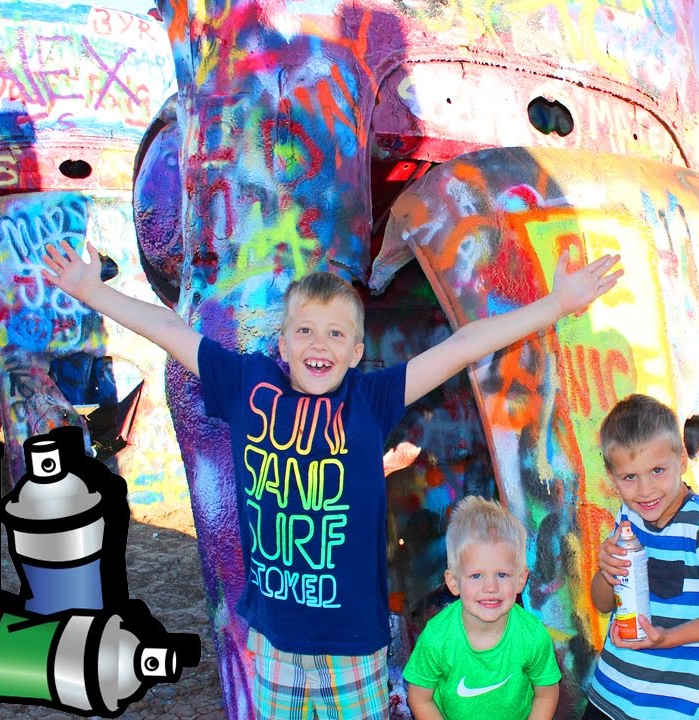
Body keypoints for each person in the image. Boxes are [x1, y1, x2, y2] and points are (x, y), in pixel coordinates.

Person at [41, 239, 621, 719]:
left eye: (336, 334)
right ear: (283, 343)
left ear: (356, 350)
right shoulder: (249, 383)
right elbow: (168, 330)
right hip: (273, 641)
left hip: (353, 648)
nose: (320, 344)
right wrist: (91, 290)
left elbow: (464, 345)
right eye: (306, 332)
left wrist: (555, 304)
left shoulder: (370, 399)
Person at [586, 394, 699, 720]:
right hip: (607, 694)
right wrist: (606, 569)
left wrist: (670, 638)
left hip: (667, 710)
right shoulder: (628, 515)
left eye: (657, 470)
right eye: (630, 477)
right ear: (612, 478)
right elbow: (603, 603)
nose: (645, 490)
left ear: (682, 460)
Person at [403, 496, 561, 720]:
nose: (490, 587)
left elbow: (546, 694)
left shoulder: (532, 636)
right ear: (454, 582)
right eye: (476, 575)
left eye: (502, 574)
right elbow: (420, 698)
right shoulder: (437, 638)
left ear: (520, 579)